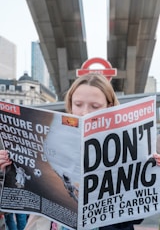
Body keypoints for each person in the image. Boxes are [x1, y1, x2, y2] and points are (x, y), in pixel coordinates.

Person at [0, 73, 160, 230]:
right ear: (70, 104)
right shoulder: (50, 138)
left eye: (95, 106)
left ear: (109, 107)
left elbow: (136, 215)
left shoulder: (129, 146)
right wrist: (6, 168)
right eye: (78, 104)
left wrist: (152, 175)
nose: (85, 112)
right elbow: (22, 197)